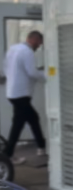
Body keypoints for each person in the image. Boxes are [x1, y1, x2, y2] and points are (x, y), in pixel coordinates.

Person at [4, 31, 47, 165]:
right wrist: (48, 75)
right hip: (21, 94)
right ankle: (7, 155)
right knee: (18, 125)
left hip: (12, 92)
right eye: (39, 44)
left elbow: (6, 68)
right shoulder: (27, 52)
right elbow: (32, 72)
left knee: (33, 119)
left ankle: (41, 146)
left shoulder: (13, 48)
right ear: (34, 40)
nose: (38, 47)